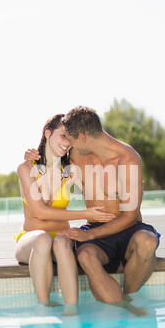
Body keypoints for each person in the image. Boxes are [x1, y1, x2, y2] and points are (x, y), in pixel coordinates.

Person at [25, 106, 161, 306]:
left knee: (148, 241)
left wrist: (88, 235)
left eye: (70, 139)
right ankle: (125, 308)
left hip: (128, 228)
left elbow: (130, 216)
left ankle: (128, 297)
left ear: (83, 136)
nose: (67, 144)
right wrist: (31, 157)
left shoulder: (128, 159)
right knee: (86, 256)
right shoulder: (76, 154)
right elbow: (47, 161)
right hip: (96, 229)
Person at [15, 113, 116, 313]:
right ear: (47, 133)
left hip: (61, 237)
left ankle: (72, 310)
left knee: (61, 242)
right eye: (63, 136)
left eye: (70, 139)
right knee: (43, 239)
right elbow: (40, 212)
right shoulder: (26, 168)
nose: (67, 143)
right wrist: (86, 213)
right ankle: (43, 307)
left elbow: (96, 189)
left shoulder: (70, 171)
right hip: (32, 239)